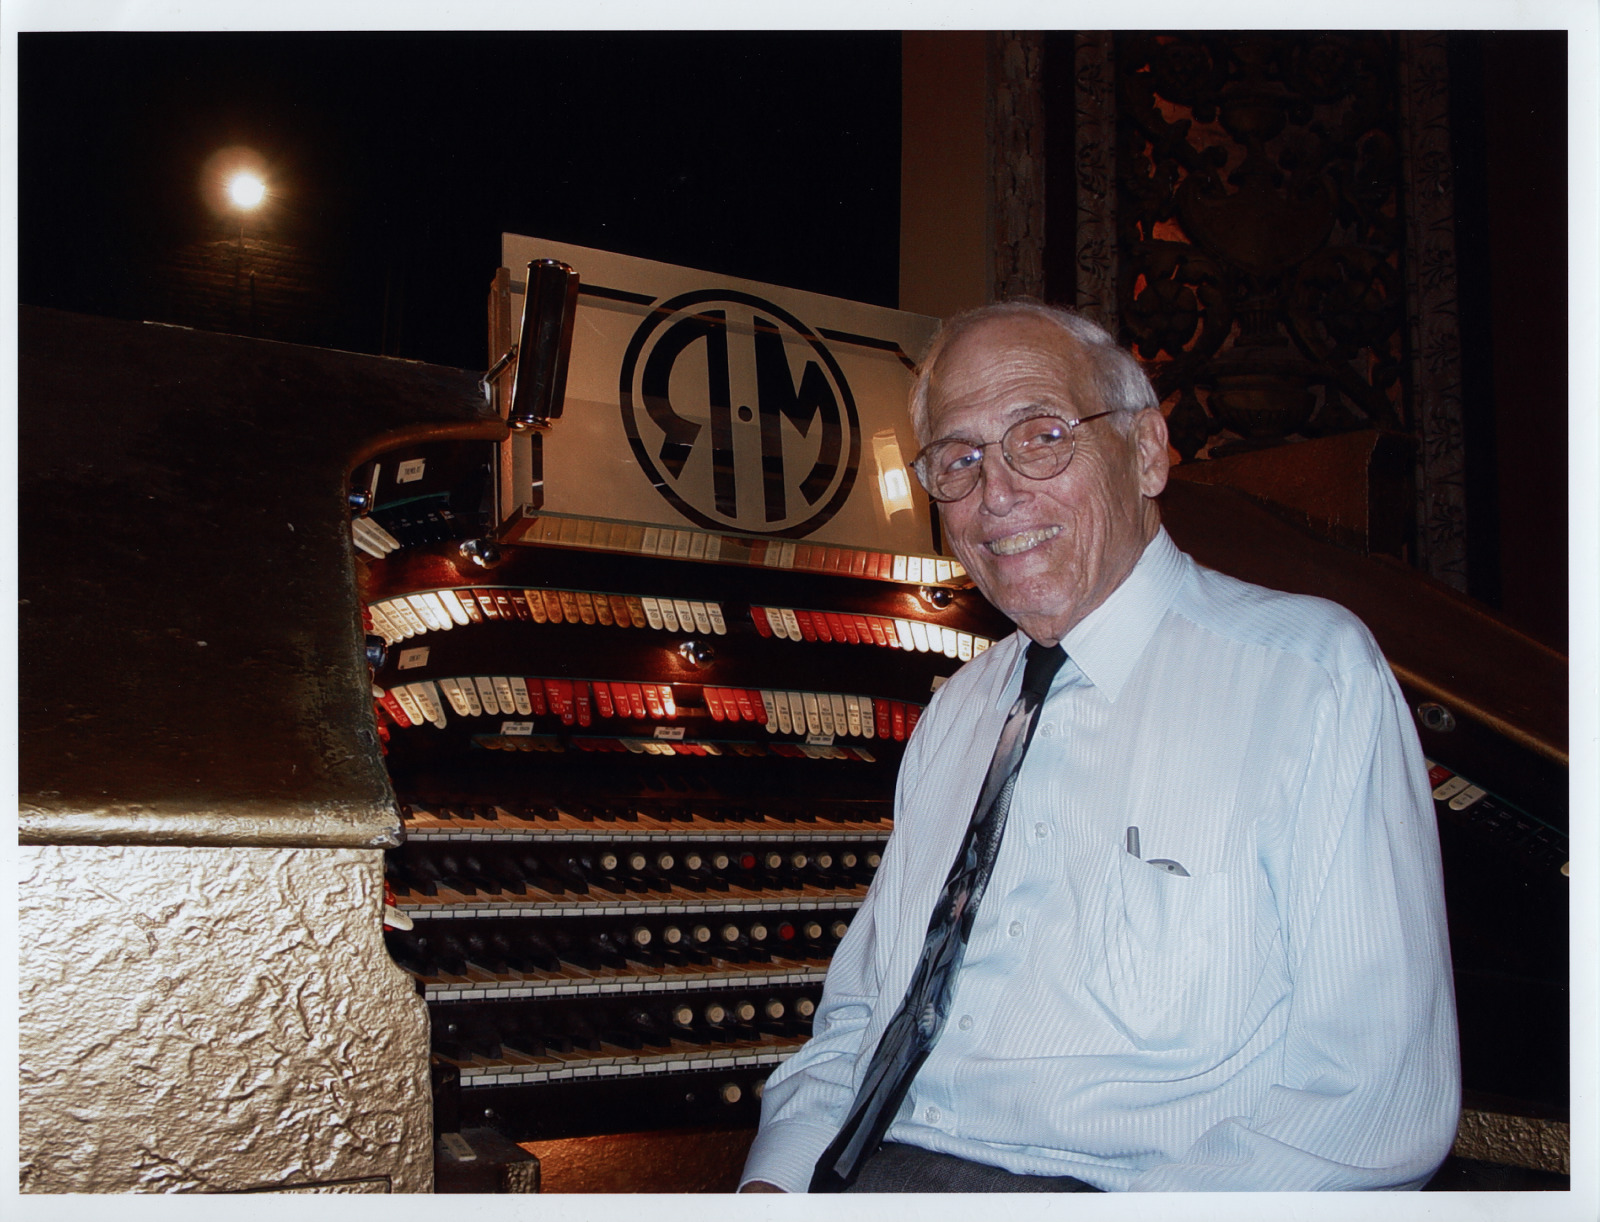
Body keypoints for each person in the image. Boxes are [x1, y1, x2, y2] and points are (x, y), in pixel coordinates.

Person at [739, 300, 1459, 1193]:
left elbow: (1370, 1106)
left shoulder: (1309, 677)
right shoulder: (959, 710)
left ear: (1148, 452)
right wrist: (772, 1183)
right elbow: (859, 1019)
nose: (995, 493)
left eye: (1040, 436)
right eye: (958, 459)